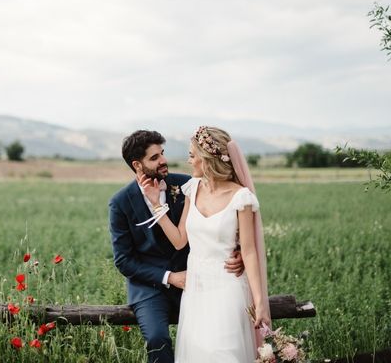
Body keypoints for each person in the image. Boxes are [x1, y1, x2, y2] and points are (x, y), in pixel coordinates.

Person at [108, 130, 244, 363]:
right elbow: (124, 261)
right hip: (149, 289)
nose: (163, 160)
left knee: (212, 334)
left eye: (162, 153)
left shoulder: (187, 185)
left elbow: (226, 210)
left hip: (195, 278)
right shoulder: (120, 203)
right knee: (157, 338)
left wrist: (238, 248)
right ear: (137, 165)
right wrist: (170, 277)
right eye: (154, 158)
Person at [138, 126, 270, 362]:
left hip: (228, 287)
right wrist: (156, 204)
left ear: (206, 159)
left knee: (225, 353)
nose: (188, 161)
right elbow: (180, 240)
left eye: (191, 155)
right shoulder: (193, 189)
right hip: (196, 289)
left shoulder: (242, 198)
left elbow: (249, 252)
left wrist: (260, 302)